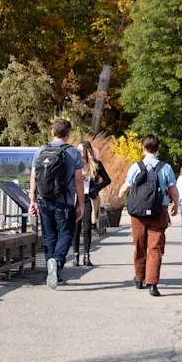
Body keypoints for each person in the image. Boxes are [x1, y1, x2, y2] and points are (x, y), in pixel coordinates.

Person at [118, 134, 180, 297]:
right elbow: (173, 190)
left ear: (143, 148)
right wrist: (176, 205)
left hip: (138, 213)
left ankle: (139, 279)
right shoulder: (165, 168)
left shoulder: (136, 167)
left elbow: (126, 187)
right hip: (158, 210)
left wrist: (119, 196)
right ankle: (152, 283)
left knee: (139, 245)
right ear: (157, 149)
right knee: (155, 247)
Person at [29, 119, 85, 290]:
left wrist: (32, 200)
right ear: (68, 134)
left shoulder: (41, 150)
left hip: (44, 200)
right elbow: (78, 180)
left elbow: (33, 176)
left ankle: (52, 273)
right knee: (66, 234)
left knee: (48, 237)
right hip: (64, 202)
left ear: (52, 131)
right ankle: (57, 261)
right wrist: (81, 204)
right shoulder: (73, 153)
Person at [73, 140, 111, 267]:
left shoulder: (95, 164)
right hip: (76, 198)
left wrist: (96, 188)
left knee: (87, 227)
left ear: (87, 151)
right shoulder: (74, 164)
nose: (78, 152)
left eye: (81, 149)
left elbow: (107, 180)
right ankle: (75, 256)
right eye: (77, 149)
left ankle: (86, 256)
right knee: (76, 228)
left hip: (89, 197)